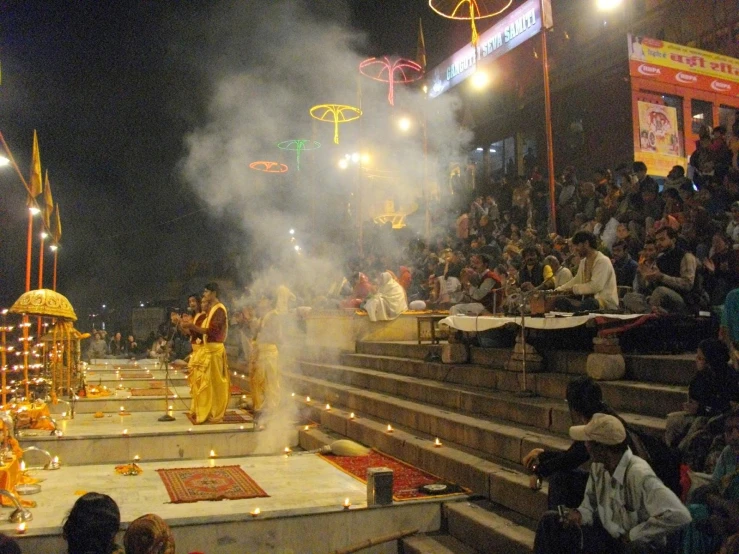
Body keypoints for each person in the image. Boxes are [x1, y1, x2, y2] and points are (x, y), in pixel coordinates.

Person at [532, 414, 691, 554]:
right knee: (551, 522)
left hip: (637, 546)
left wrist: (634, 534)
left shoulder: (638, 473)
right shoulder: (598, 468)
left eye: (588, 442)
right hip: (610, 538)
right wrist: (578, 515)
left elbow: (679, 515)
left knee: (636, 548)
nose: (585, 446)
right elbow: (589, 506)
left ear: (601, 448)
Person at [664, 339, 739, 451]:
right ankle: (667, 449)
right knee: (673, 419)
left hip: (717, 418)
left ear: (710, 361)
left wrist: (701, 408)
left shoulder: (728, 377)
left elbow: (726, 408)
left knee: (699, 423)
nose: (696, 360)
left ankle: (678, 454)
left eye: (700, 358)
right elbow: (695, 396)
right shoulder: (702, 376)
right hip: (702, 413)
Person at [682, 409, 739, 554]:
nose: (735, 436)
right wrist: (724, 505)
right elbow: (711, 489)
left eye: (738, 429)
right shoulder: (727, 454)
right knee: (692, 512)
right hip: (726, 512)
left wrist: (728, 524)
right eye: (729, 431)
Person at [180, 282, 231, 424]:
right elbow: (195, 333)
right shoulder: (212, 310)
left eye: (206, 292)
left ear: (214, 293)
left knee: (217, 385)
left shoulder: (219, 309)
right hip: (208, 350)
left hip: (214, 350)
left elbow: (212, 331)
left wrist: (192, 326)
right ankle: (208, 411)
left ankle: (217, 414)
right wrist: (187, 325)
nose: (204, 295)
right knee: (207, 384)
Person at [554, 231, 618, 312]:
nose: (575, 249)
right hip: (586, 301)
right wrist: (558, 290)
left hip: (604, 303)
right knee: (560, 301)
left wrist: (574, 289)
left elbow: (596, 286)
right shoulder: (584, 261)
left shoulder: (602, 261)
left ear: (586, 243)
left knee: (590, 303)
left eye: (577, 245)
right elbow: (577, 280)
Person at [249, 294, 284, 423]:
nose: (260, 301)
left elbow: (272, 335)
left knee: (270, 382)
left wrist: (259, 332)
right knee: (257, 381)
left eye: (263, 298)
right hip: (260, 351)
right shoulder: (262, 317)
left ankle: (271, 410)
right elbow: (255, 334)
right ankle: (259, 408)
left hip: (269, 351)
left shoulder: (274, 315)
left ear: (269, 301)